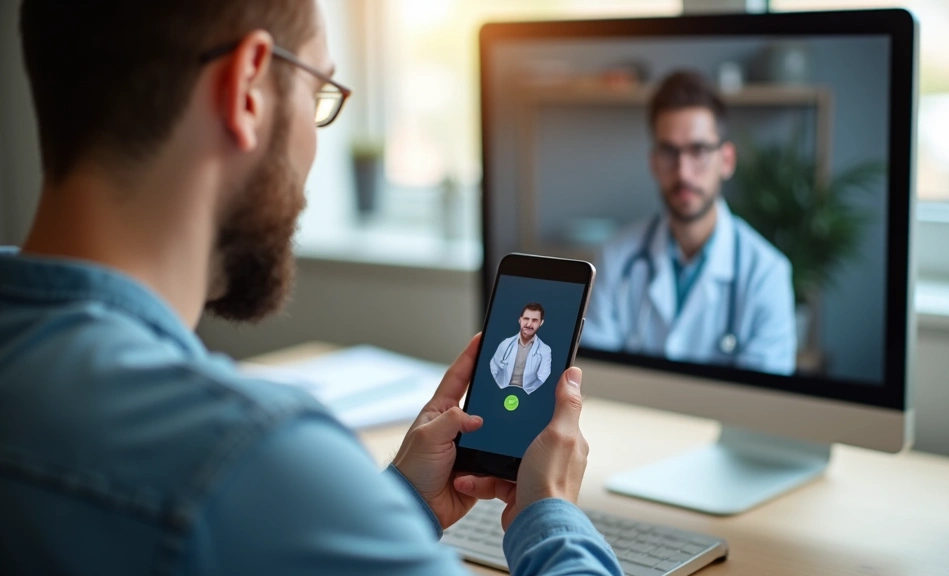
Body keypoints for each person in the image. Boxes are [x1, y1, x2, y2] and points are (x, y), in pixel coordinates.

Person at [0, 1, 621, 575]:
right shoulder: (254, 459)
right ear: (247, 90)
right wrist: (551, 514)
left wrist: (399, 503)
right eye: (319, 92)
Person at [582, 70, 797, 375]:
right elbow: (595, 378)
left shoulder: (767, 274)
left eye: (699, 150)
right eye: (669, 152)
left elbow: (765, 407)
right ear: (654, 162)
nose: (683, 172)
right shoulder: (616, 258)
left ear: (726, 160)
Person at [490, 303, 553, 394]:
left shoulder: (545, 350)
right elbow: (494, 367)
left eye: (534, 320)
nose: (529, 324)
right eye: (526, 319)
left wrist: (528, 392)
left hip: (528, 396)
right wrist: (501, 387)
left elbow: (543, 377)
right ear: (520, 319)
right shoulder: (505, 344)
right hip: (501, 392)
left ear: (541, 322)